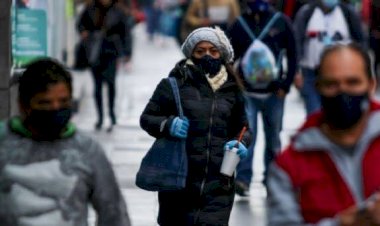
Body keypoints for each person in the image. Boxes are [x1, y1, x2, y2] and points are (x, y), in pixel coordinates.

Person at [140, 27, 251, 226]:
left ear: (222, 54)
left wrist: (240, 142)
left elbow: (244, 128)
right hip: (179, 183)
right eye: (200, 51)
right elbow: (148, 118)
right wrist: (168, 124)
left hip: (219, 185)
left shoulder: (233, 89)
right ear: (191, 53)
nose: (207, 55)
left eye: (213, 50)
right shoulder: (174, 83)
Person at [0, 58, 131, 226]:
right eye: (45, 103)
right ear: (23, 105)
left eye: (63, 102)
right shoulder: (3, 142)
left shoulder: (87, 150)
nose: (55, 109)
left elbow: (113, 214)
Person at [267, 43, 380, 225]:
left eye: (352, 82)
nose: (343, 92)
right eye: (331, 84)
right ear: (318, 87)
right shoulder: (289, 167)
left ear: (371, 85)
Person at [227, 0, 297, 196]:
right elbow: (228, 57)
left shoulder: (280, 22)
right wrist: (235, 84)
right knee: (249, 136)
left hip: (275, 93)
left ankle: (272, 180)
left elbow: (293, 55)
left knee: (273, 138)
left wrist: (286, 84)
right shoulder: (240, 24)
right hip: (247, 93)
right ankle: (243, 179)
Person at [293, 0, 365, 116]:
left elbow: (360, 41)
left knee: (339, 113)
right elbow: (296, 42)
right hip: (312, 73)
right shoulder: (307, 13)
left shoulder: (348, 13)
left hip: (341, 73)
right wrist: (296, 71)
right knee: (314, 113)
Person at [77, 0, 130, 131]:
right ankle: (100, 117)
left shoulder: (118, 11)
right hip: (94, 52)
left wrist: (127, 52)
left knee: (111, 83)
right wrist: (84, 32)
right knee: (97, 85)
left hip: (111, 52)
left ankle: (111, 114)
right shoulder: (90, 9)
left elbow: (126, 33)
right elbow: (80, 25)